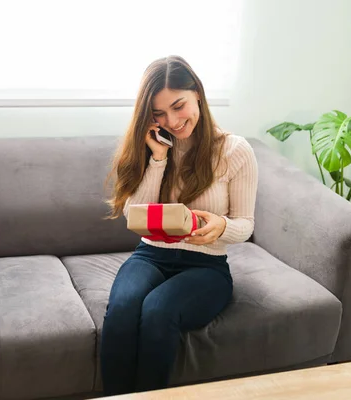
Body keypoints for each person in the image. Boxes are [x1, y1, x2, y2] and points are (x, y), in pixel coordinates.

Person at [102, 55, 259, 395]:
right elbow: (136, 217)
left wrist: (221, 226)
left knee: (159, 310)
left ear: (198, 94)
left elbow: (245, 223)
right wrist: (157, 159)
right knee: (123, 309)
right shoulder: (153, 144)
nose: (172, 121)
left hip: (207, 266)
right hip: (151, 255)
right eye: (158, 113)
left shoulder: (234, 150)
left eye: (178, 106)